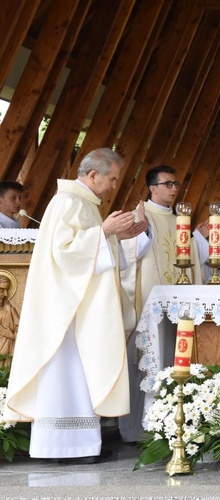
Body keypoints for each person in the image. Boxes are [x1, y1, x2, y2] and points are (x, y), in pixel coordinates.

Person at [2, 148, 147, 462]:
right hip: (67, 311)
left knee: (79, 375)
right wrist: (104, 233)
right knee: (67, 375)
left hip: (79, 306)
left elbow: (87, 248)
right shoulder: (68, 202)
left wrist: (116, 236)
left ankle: (78, 446)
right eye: (111, 178)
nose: (112, 186)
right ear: (92, 174)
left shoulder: (83, 203)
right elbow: (65, 252)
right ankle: (65, 448)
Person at [118, 165, 205, 442]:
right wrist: (143, 233)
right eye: (167, 184)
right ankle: (138, 430)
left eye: (176, 183)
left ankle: (174, 424)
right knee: (145, 361)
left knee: (176, 358)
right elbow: (126, 256)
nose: (173, 189)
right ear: (152, 188)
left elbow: (193, 259)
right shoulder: (139, 216)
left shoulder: (182, 220)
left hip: (179, 306)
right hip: (149, 303)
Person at [0, 273, 20, 368]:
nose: (5, 295)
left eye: (6, 291)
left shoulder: (10, 310)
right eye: (1, 290)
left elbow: (22, 331)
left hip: (7, 360)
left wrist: (11, 335)